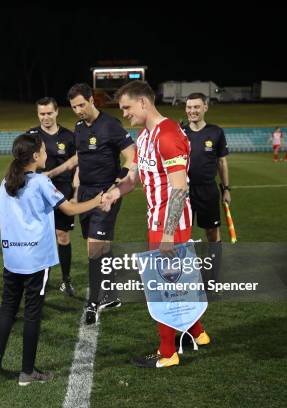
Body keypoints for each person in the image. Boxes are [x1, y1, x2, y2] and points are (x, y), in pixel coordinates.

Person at [0, 133, 104, 385]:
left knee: (7, 310)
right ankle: (27, 372)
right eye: (44, 151)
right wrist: (97, 201)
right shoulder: (40, 182)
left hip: (12, 258)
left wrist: (17, 221)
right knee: (32, 314)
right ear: (35, 156)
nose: (47, 154)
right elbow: (68, 209)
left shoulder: (7, 182)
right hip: (36, 259)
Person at [103, 80, 210, 368]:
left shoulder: (168, 135)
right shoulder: (144, 137)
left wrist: (166, 234)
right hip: (158, 222)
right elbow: (134, 180)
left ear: (143, 103)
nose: (124, 113)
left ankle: (168, 353)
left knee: (165, 287)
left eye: (127, 107)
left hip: (171, 226)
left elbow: (179, 189)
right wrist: (115, 193)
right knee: (175, 283)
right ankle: (198, 333)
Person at [45, 83, 134, 325]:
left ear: (92, 100)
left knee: (93, 248)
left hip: (106, 194)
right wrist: (56, 173)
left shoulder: (111, 125)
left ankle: (93, 302)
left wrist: (121, 175)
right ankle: (112, 294)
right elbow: (80, 157)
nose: (78, 110)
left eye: (82, 105)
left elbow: (132, 153)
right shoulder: (78, 127)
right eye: (74, 107)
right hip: (85, 194)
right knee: (100, 246)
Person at [27, 97, 77, 296]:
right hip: (37, 193)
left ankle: (66, 280)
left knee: (62, 236)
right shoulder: (31, 136)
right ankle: (39, 279)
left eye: (49, 113)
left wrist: (76, 193)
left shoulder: (69, 136)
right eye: (42, 114)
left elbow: (77, 165)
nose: (46, 117)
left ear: (57, 112)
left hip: (63, 191)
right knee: (39, 236)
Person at [183, 92, 230, 286]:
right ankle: (184, 275)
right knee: (183, 233)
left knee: (212, 232)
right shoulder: (180, 132)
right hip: (183, 191)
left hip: (208, 190)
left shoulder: (216, 132)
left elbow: (222, 162)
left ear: (205, 108)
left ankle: (213, 276)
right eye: (189, 107)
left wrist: (226, 189)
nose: (192, 111)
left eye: (196, 107)